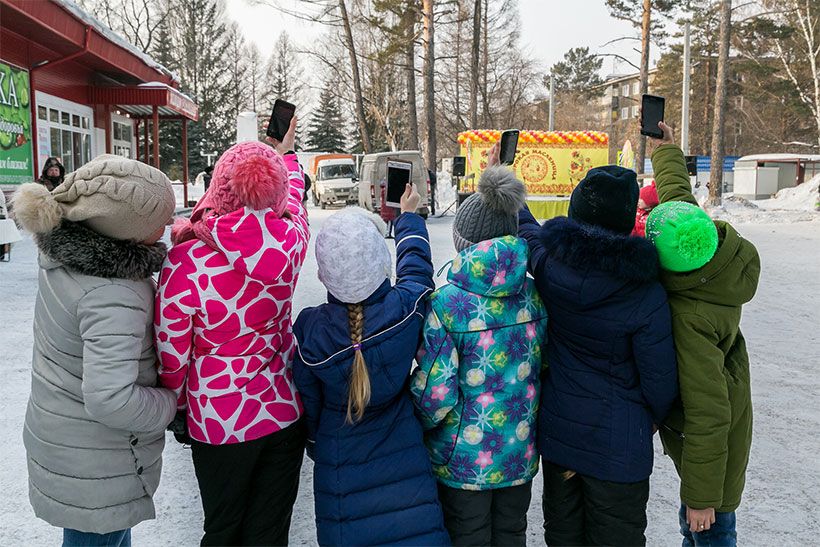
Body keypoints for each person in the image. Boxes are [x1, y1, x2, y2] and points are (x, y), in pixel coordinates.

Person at [155, 117, 309, 546]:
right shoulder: (291, 244)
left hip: (218, 419)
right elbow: (295, 200)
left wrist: (178, 403)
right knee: (269, 533)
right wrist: (287, 157)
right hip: (281, 411)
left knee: (222, 530)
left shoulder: (186, 262)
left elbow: (172, 355)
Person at [12, 155, 178, 547]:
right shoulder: (113, 294)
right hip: (97, 459)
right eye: (162, 219)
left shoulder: (67, 259)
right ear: (129, 230)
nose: (169, 226)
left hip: (66, 438)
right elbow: (110, 399)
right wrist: (171, 402)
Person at [517, 155, 678, 546]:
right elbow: (660, 381)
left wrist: (509, 188)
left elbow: (529, 232)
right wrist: (652, 417)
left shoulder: (551, 267)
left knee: (564, 536)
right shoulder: (646, 292)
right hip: (619, 452)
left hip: (561, 439)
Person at [292, 189, 449, 547]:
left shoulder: (311, 332)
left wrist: (317, 442)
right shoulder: (405, 310)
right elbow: (417, 268)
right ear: (382, 263)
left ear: (325, 274)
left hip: (339, 465)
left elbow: (309, 405)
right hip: (403, 453)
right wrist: (407, 218)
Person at [411, 147, 547, 547]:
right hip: (518, 453)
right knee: (511, 535)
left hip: (463, 458)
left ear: (463, 243)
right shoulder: (534, 296)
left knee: (467, 538)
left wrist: (419, 423)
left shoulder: (449, 303)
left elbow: (435, 393)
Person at [648, 121, 760, 547]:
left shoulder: (689, 317)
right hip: (714, 455)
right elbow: (679, 205)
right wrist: (666, 152)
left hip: (714, 465)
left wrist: (701, 498)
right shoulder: (714, 256)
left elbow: (709, 411)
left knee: (709, 532)